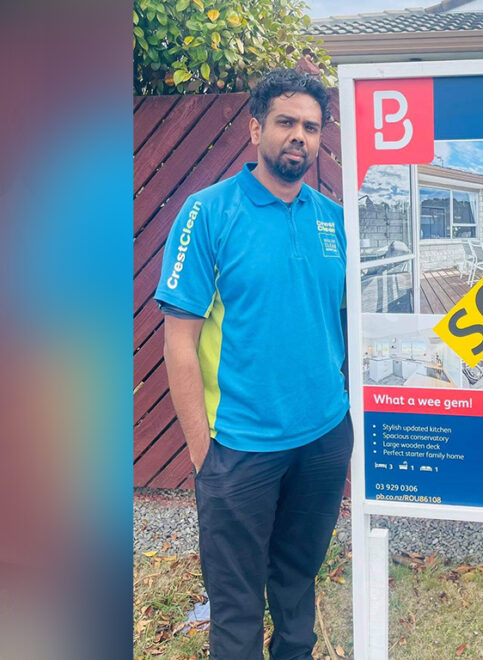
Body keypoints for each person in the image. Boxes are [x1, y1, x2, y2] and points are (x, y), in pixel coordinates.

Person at [154, 69, 351, 660]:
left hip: (321, 439)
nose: (299, 136)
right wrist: (201, 454)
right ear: (255, 128)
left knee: (297, 585)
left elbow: (342, 324)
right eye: (286, 122)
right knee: (236, 608)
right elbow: (179, 341)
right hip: (240, 447)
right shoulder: (207, 213)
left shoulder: (334, 220)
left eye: (311, 127)